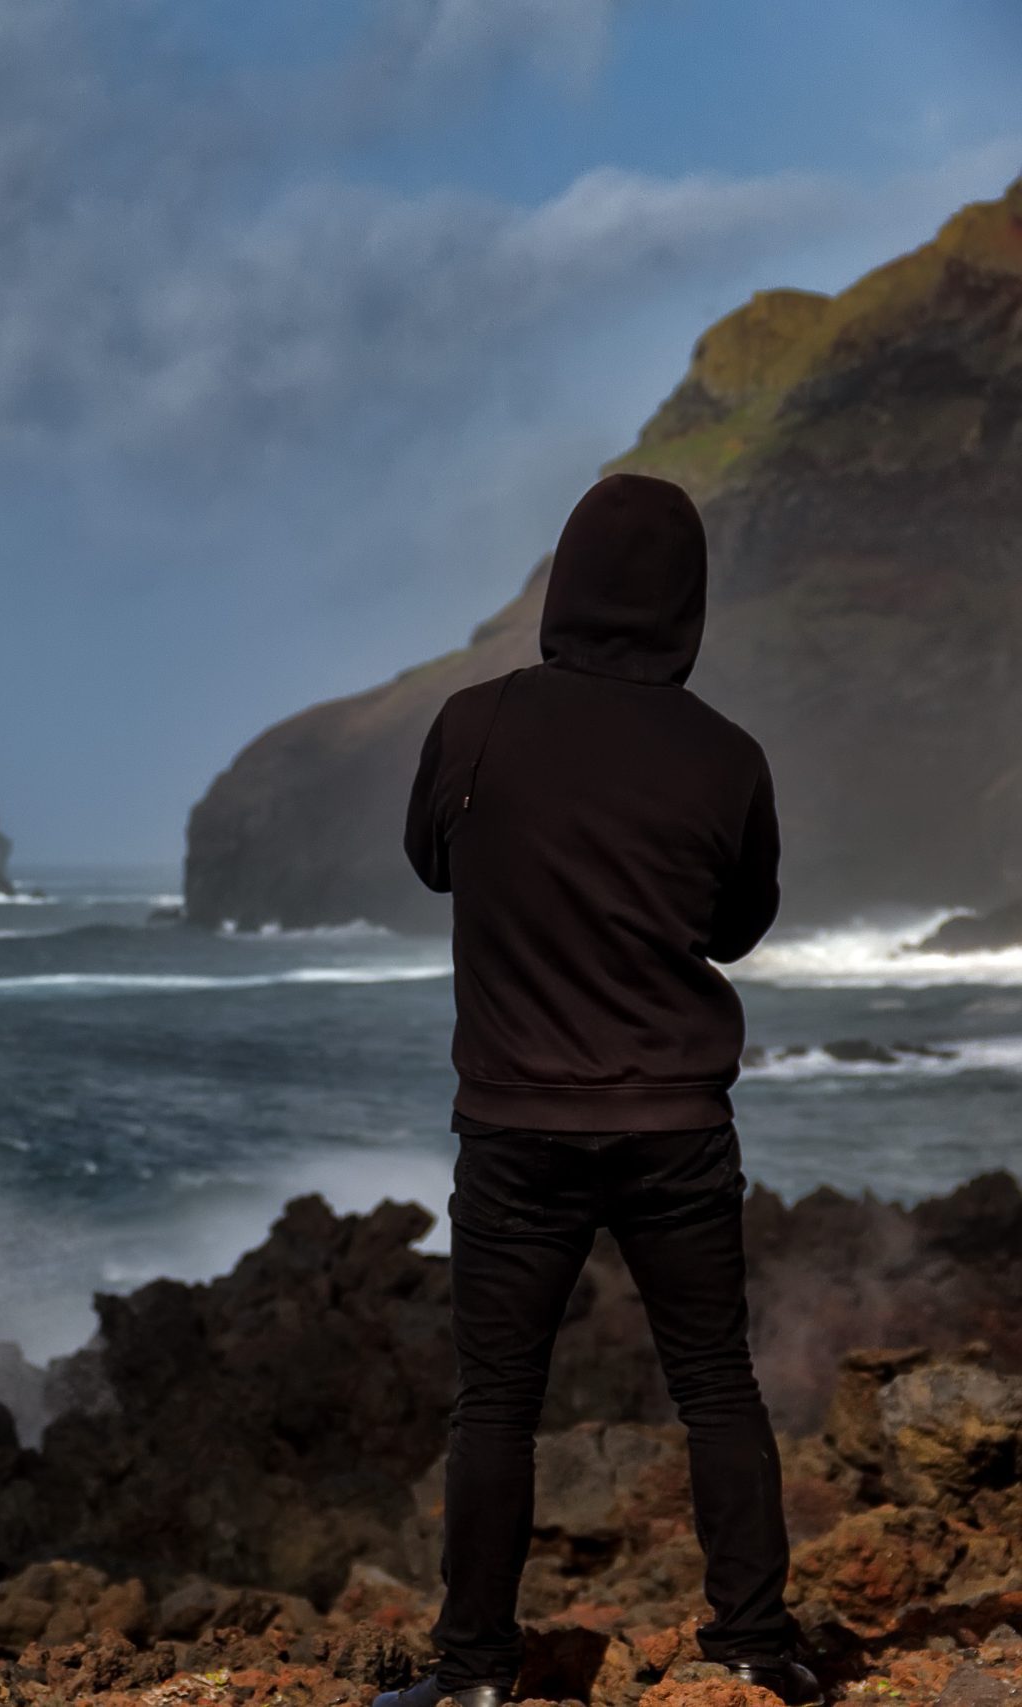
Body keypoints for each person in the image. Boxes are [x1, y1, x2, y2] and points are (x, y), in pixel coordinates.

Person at [376, 474, 819, 1707]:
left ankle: (470, 1678)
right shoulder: (727, 758)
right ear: (688, 603)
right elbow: (736, 933)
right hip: (677, 1124)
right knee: (715, 1384)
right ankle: (753, 1652)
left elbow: (429, 863)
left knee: (498, 1407)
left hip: (514, 1125)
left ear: (563, 585)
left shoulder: (474, 722)